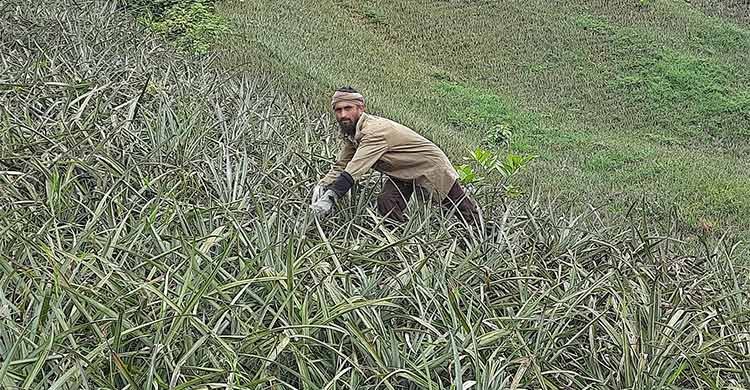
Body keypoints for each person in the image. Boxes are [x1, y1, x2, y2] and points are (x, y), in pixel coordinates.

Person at [310, 86, 481, 229]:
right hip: (403, 171)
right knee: (387, 201)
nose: (343, 115)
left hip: (429, 165)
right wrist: (322, 186)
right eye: (338, 110)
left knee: (461, 207)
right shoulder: (353, 133)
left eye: (348, 108)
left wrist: (330, 198)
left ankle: (487, 237)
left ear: (361, 109)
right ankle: (403, 239)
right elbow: (341, 166)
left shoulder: (374, 132)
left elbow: (353, 170)